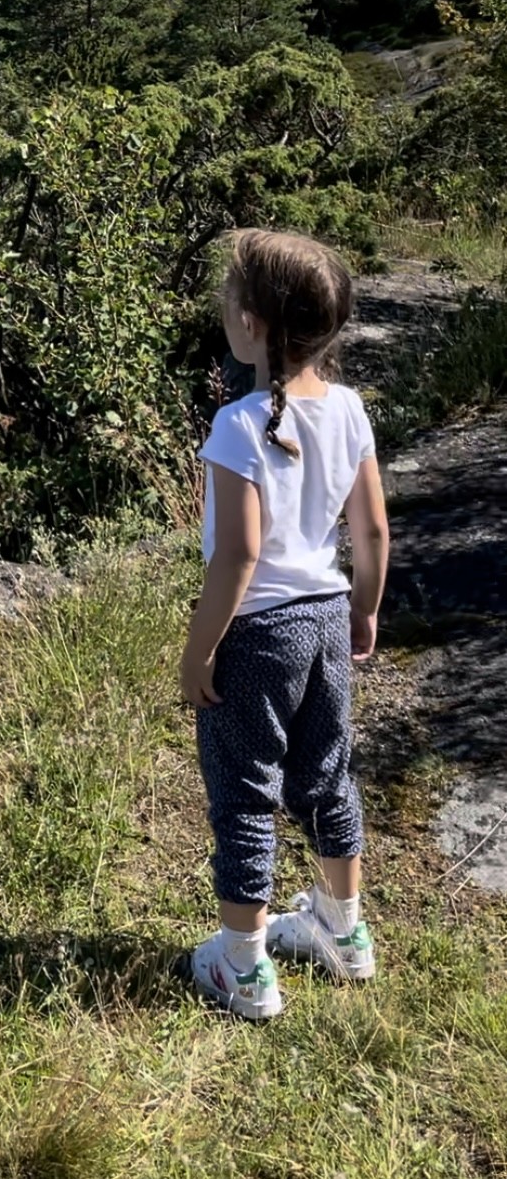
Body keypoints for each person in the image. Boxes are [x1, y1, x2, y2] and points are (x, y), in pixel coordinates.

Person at [182, 227, 390, 1019]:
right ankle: (344, 929)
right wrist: (364, 607)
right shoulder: (349, 409)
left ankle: (243, 966)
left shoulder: (237, 427)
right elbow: (372, 532)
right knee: (328, 775)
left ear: (251, 324)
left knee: (244, 793)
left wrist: (200, 651)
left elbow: (238, 557)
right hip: (327, 620)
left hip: (259, 636)